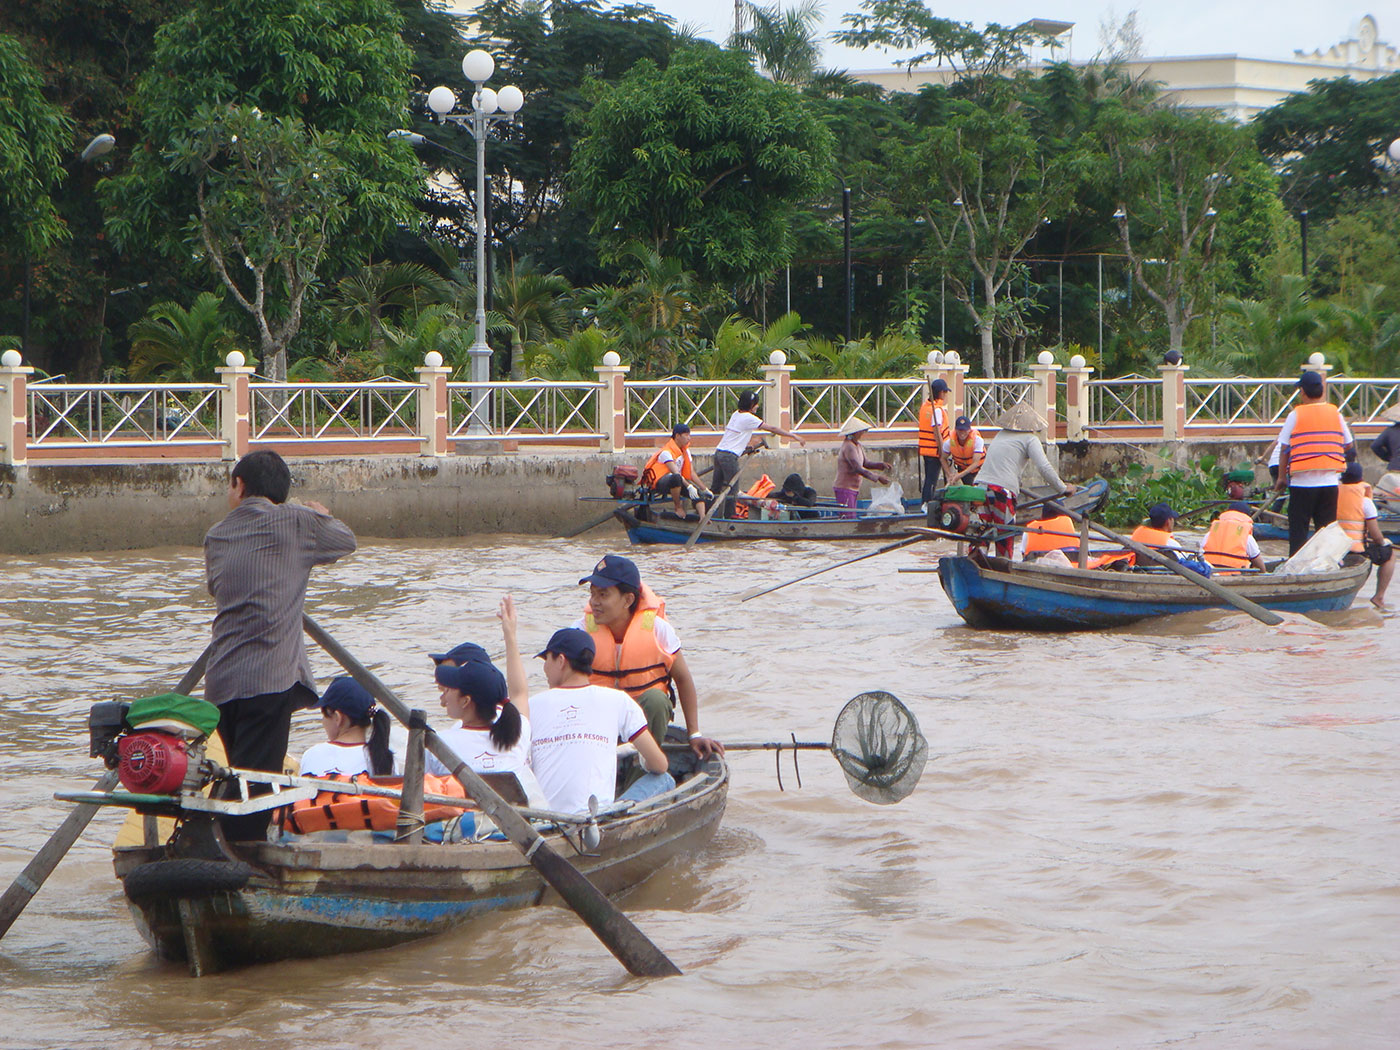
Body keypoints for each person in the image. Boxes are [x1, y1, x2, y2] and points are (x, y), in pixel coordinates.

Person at [204, 449, 357, 840]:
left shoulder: (216, 536)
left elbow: (216, 588)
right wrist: (321, 514)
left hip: (221, 679)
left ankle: (227, 843)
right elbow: (345, 541)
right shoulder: (297, 520)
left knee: (238, 770)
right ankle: (243, 857)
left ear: (239, 486)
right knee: (257, 782)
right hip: (269, 676)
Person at [574, 554, 722, 759]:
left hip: (643, 721)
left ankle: (641, 772)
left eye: (603, 595)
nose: (594, 602)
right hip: (598, 720)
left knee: (656, 700)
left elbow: (683, 679)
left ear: (628, 599)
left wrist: (694, 734)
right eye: (593, 594)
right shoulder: (579, 631)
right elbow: (559, 683)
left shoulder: (659, 630)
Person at [521, 627, 675, 815]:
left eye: (547, 660)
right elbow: (660, 765)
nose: (545, 668)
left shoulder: (531, 706)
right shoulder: (619, 700)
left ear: (561, 661)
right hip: (597, 819)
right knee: (664, 779)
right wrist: (645, 763)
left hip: (545, 818)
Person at [427, 657, 549, 806]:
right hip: (514, 824)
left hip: (462, 826)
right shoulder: (520, 730)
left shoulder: (438, 742)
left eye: (450, 689)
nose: (445, 695)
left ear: (465, 701)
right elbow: (519, 694)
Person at [973, 402, 1077, 558]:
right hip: (1002, 491)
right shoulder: (1030, 439)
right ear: (1033, 426)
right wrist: (1063, 488)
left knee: (980, 535)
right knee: (1004, 537)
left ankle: (974, 564)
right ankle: (1003, 572)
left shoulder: (1001, 434)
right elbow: (1044, 468)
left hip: (979, 488)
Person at [1273, 370, 1355, 555]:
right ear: (1322, 390)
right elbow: (1349, 444)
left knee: (1298, 531)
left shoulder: (1296, 414)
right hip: (1329, 483)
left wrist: (1281, 478)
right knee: (1326, 531)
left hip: (1303, 484)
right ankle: (1325, 567)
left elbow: (1284, 448)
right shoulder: (1336, 414)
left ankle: (1297, 568)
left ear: (1302, 392)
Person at [712, 390, 805, 517]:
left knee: (716, 488)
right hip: (729, 457)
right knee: (732, 489)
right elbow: (772, 429)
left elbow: (735, 436)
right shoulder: (749, 418)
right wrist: (793, 436)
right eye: (756, 404)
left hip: (719, 453)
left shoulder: (736, 414)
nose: (757, 406)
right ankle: (730, 517)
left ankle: (707, 513)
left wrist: (747, 445)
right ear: (750, 405)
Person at [299, 677, 395, 777]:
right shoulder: (386, 760)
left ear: (337, 718)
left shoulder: (313, 755)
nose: (323, 721)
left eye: (324, 715)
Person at [1337, 462, 1394, 608]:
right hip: (1355, 549)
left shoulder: (1332, 495)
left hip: (1335, 549)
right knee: (1390, 554)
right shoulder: (1365, 501)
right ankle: (1379, 597)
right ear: (1361, 478)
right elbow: (1375, 534)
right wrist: (1383, 542)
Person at [640, 423, 710, 518]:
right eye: (686, 435)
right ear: (677, 436)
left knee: (699, 494)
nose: (689, 438)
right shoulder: (666, 452)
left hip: (679, 481)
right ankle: (678, 507)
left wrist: (704, 489)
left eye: (689, 435)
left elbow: (691, 473)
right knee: (676, 478)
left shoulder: (686, 451)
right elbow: (675, 473)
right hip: (661, 482)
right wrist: (689, 486)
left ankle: (703, 518)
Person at [1092, 502, 1183, 569]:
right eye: (1172, 519)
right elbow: (1184, 562)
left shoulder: (1137, 535)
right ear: (1168, 521)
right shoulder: (1171, 543)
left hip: (1137, 568)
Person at [834, 415, 892, 515]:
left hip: (853, 488)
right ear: (855, 432)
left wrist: (880, 465)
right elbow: (857, 468)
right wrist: (877, 477)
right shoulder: (849, 447)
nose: (862, 434)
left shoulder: (857, 445)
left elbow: (866, 463)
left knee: (851, 515)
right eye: (861, 431)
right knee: (849, 518)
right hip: (845, 488)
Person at [1201, 502, 1267, 573]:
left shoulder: (1210, 533)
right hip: (1234, 575)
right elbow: (1257, 560)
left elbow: (1200, 554)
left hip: (1210, 573)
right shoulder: (1246, 536)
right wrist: (1264, 572)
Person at [917, 378, 952, 504]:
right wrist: (942, 449)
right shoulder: (936, 410)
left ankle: (926, 502)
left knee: (929, 479)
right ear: (941, 393)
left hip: (927, 450)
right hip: (934, 450)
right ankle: (927, 503)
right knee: (931, 480)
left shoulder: (925, 406)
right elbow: (937, 430)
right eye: (945, 392)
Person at [943, 415, 986, 485]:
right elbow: (943, 458)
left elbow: (975, 463)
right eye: (960, 430)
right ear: (956, 429)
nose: (962, 433)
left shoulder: (977, 440)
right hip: (964, 470)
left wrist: (959, 475)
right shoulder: (949, 442)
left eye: (965, 430)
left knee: (979, 490)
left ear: (969, 430)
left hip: (980, 470)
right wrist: (949, 474)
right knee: (969, 490)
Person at [1370, 405, 1400, 501]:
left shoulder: (1390, 431)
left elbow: (1375, 446)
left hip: (1394, 468)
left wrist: (1388, 457)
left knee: (1390, 498)